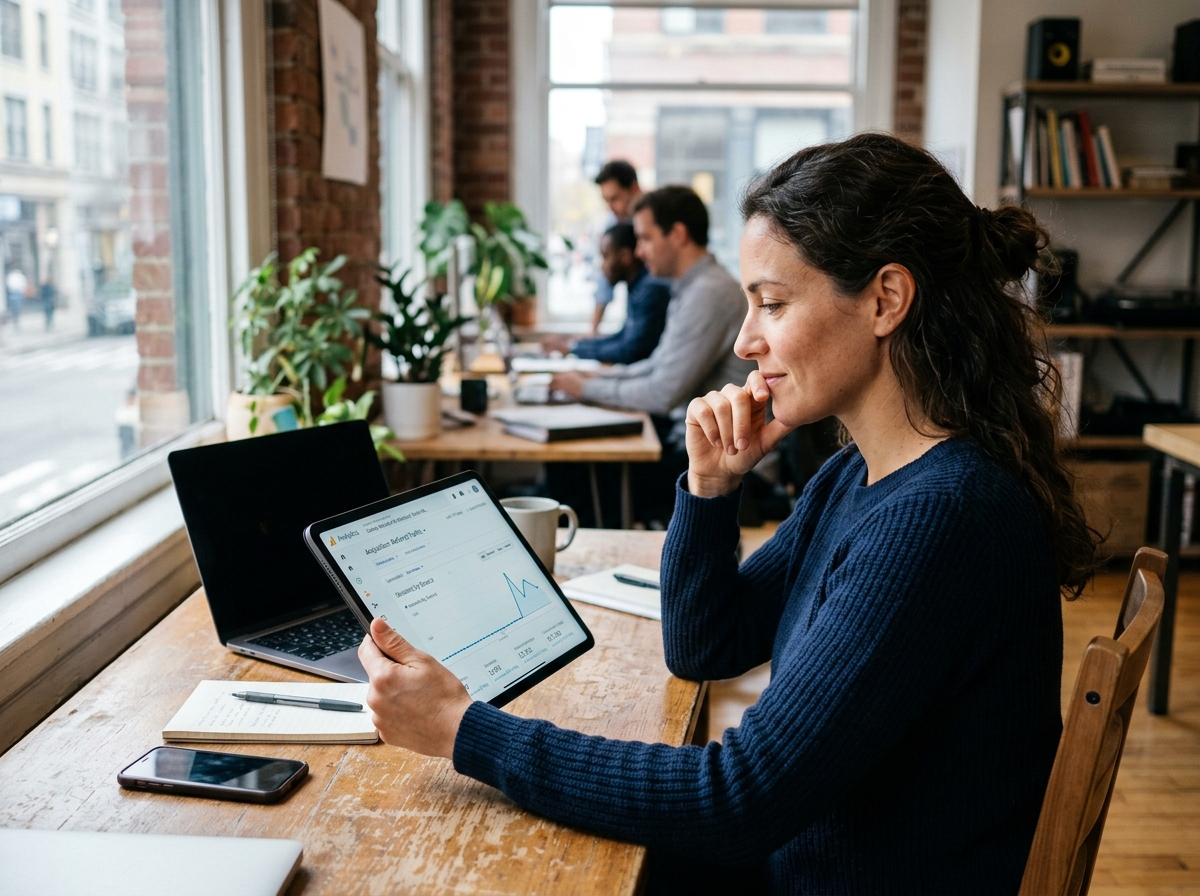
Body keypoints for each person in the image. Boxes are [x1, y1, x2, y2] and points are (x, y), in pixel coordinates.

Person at [356, 133, 1100, 893]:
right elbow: (708, 647)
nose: (747, 340)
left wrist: (465, 731)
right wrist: (710, 488)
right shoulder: (860, 473)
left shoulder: (943, 519)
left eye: (772, 304)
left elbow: (738, 799)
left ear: (886, 300)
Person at [550, 184, 754, 523]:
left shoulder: (709, 293)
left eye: (645, 238)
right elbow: (658, 365)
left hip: (723, 463)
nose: (640, 252)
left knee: (578, 474)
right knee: (574, 468)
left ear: (677, 234)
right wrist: (599, 377)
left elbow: (662, 392)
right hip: (696, 445)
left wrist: (585, 388)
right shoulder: (689, 288)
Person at [543, 222, 670, 365]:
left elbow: (630, 350)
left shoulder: (650, 289)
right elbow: (623, 337)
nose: (602, 266)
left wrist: (574, 348)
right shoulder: (637, 287)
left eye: (606, 256)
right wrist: (578, 344)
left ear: (625, 257)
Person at [588, 160, 643, 335]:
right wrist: (593, 331)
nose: (610, 207)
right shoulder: (614, 223)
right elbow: (605, 281)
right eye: (606, 200)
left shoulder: (656, 219)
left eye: (615, 198)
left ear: (634, 189)